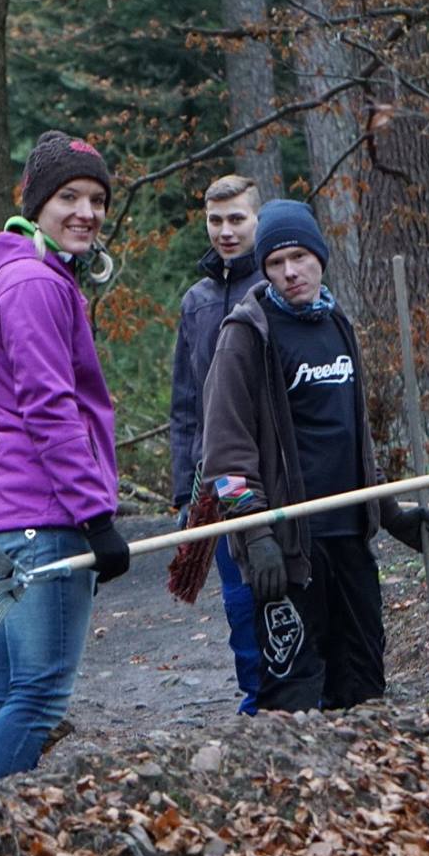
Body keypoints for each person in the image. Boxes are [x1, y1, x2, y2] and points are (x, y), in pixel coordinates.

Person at [199, 199, 429, 712]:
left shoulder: (337, 324)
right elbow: (224, 454)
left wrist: (391, 512)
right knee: (293, 699)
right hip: (289, 551)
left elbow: (354, 437)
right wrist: (255, 534)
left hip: (350, 542)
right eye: (275, 262)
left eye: (300, 257)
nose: (290, 272)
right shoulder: (246, 335)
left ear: (320, 258)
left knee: (363, 688)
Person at [0, 131, 132, 781]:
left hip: (0, 522)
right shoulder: (34, 283)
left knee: (9, 696)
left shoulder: (24, 276)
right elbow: (50, 407)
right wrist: (96, 516)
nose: (86, 212)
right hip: (39, 520)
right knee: (37, 698)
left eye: (97, 199)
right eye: (69, 197)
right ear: (36, 205)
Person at [167, 174, 265, 712]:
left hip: (276, 470)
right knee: (239, 594)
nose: (226, 231)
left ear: (257, 220)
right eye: (215, 220)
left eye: (237, 219)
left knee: (286, 579)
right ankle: (256, 699)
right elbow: (185, 405)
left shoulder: (275, 285)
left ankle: (300, 694)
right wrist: (184, 490)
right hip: (221, 477)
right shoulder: (197, 302)